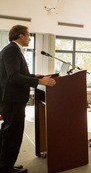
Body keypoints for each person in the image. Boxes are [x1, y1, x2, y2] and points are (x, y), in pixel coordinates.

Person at [0, 25, 56, 173]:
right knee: (13, 134)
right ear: (20, 36)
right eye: (28, 35)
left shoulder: (12, 49)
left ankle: (5, 164)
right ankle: (6, 168)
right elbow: (13, 76)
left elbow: (17, 74)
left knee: (9, 133)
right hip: (13, 100)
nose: (30, 38)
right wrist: (39, 82)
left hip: (11, 99)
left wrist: (35, 76)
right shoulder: (12, 50)